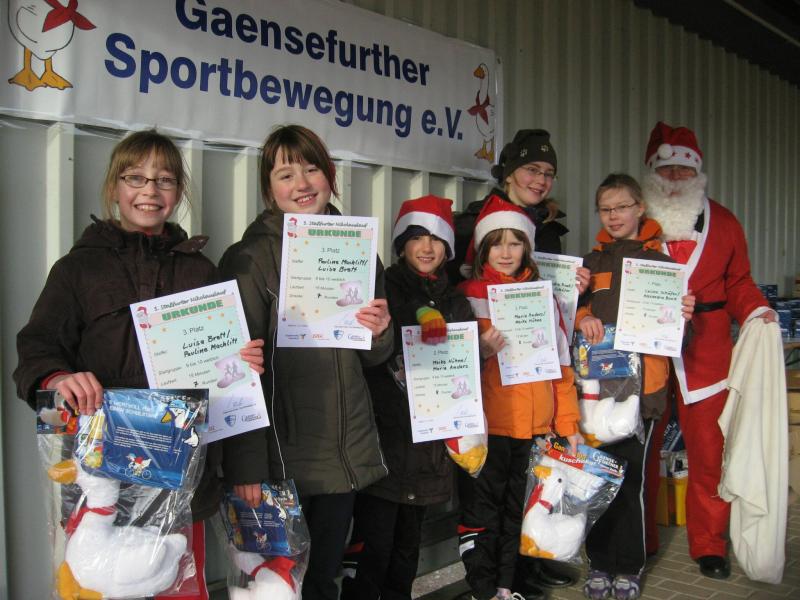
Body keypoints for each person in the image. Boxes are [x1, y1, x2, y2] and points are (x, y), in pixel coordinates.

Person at [13, 129, 265, 600]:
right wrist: (59, 378)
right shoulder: (77, 269)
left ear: (178, 192)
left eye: (164, 180)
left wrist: (239, 363)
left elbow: (229, 382)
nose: (150, 190)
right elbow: (37, 349)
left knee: (177, 589)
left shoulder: (201, 272)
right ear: (114, 187)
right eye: (136, 178)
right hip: (101, 487)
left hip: (180, 483)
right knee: (95, 590)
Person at [217, 124, 393, 600]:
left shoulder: (357, 249)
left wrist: (380, 332)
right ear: (268, 188)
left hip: (343, 454)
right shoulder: (249, 259)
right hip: (280, 459)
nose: (302, 184)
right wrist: (246, 464)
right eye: (285, 174)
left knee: (321, 579)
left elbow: (372, 357)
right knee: (275, 586)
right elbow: (235, 373)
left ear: (329, 175)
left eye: (312, 169)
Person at [451, 129, 587, 593]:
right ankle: (485, 587)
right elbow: (451, 364)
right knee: (483, 514)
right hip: (491, 426)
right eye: (497, 244)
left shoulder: (542, 296)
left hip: (536, 425)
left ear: (527, 248)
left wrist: (567, 423)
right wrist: (479, 349)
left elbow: (561, 367)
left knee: (522, 508)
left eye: (515, 244)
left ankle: (509, 586)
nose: (506, 253)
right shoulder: (467, 297)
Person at [639, 122, 776, 579]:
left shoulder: (726, 223)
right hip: (648, 352)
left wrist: (757, 310)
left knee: (708, 451)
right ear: (652, 173)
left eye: (684, 169)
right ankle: (641, 538)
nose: (676, 177)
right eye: (667, 169)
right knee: (642, 449)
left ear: (697, 173)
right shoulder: (635, 222)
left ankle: (709, 543)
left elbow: (739, 282)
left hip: (708, 350)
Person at [340, 195, 475, 600]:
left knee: (406, 549)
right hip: (384, 443)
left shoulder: (456, 301)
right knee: (372, 546)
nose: (427, 247)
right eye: (417, 237)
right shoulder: (381, 290)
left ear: (448, 248)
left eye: (436, 239)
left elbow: (463, 372)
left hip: (429, 449)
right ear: (401, 245)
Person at [575, 174, 695, 600]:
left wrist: (683, 315)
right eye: (606, 209)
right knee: (595, 479)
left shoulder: (661, 263)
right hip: (594, 391)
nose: (614, 216)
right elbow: (570, 315)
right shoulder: (589, 263)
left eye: (622, 207)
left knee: (630, 484)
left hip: (642, 393)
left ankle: (628, 566)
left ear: (640, 207)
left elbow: (679, 337)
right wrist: (582, 315)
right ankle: (598, 563)